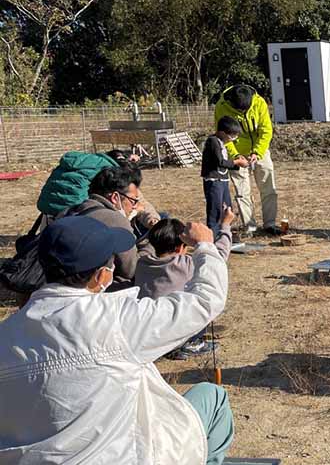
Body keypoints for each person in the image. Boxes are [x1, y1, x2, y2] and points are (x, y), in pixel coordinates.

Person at [0, 216, 246, 465]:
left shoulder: (7, 335)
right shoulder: (116, 322)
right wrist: (205, 246)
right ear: (102, 276)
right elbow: (204, 302)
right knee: (213, 399)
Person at [136, 209, 234, 358]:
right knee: (197, 304)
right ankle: (189, 343)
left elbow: (144, 247)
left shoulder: (142, 262)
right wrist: (225, 225)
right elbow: (218, 255)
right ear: (180, 247)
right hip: (176, 327)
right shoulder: (186, 263)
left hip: (149, 329)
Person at [213, 84, 280, 235]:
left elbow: (266, 131)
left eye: (246, 109)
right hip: (236, 153)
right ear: (231, 103)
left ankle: (270, 224)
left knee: (268, 187)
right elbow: (223, 136)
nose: (243, 112)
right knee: (242, 191)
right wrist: (236, 156)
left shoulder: (259, 102)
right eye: (240, 110)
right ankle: (250, 226)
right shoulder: (221, 107)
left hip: (260, 150)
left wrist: (258, 152)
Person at [64, 166, 140, 289]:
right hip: (93, 290)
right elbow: (131, 270)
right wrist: (148, 246)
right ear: (115, 198)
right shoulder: (115, 220)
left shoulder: (73, 210)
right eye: (133, 201)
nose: (134, 207)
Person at [202, 115, 247, 230]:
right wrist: (237, 162)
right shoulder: (213, 142)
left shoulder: (222, 143)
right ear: (222, 132)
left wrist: (239, 162)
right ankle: (213, 234)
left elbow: (225, 162)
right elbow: (220, 162)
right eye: (232, 135)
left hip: (223, 180)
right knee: (215, 209)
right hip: (214, 181)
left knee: (227, 208)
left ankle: (225, 232)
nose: (233, 138)